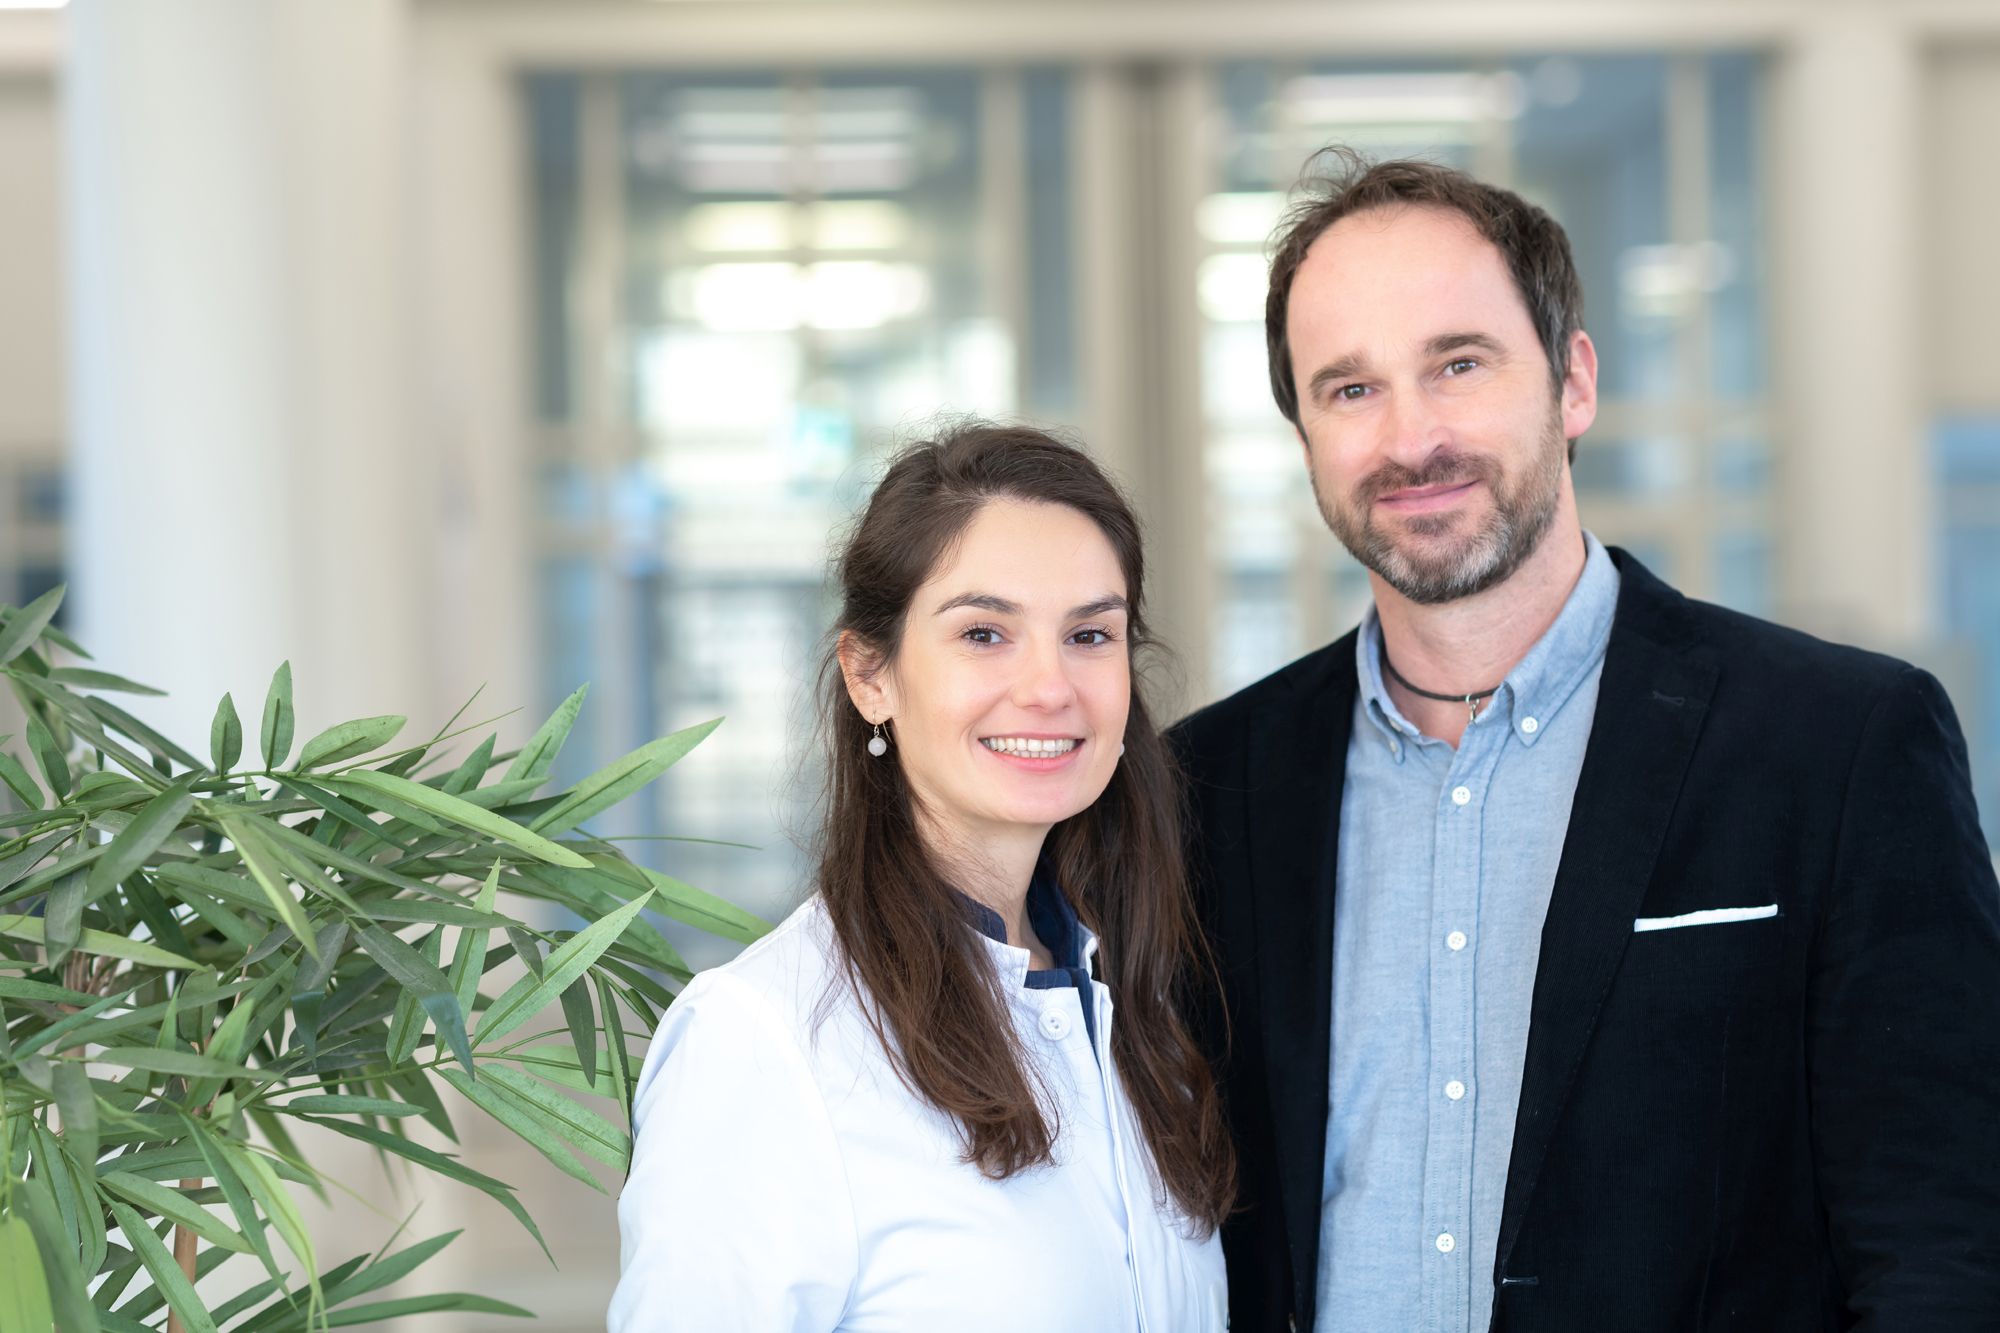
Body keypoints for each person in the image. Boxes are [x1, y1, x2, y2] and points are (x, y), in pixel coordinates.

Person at [1171, 151, 2000, 1332]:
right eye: (1347, 389)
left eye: (1456, 364)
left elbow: (1947, 1243)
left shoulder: (1840, 747)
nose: (1410, 439)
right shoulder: (1202, 787)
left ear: (1571, 382)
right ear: (1300, 430)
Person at [610, 423, 1233, 1331]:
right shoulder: (761, 1043)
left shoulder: (1136, 1012)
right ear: (870, 674)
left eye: (1090, 634)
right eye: (985, 632)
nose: (1050, 686)